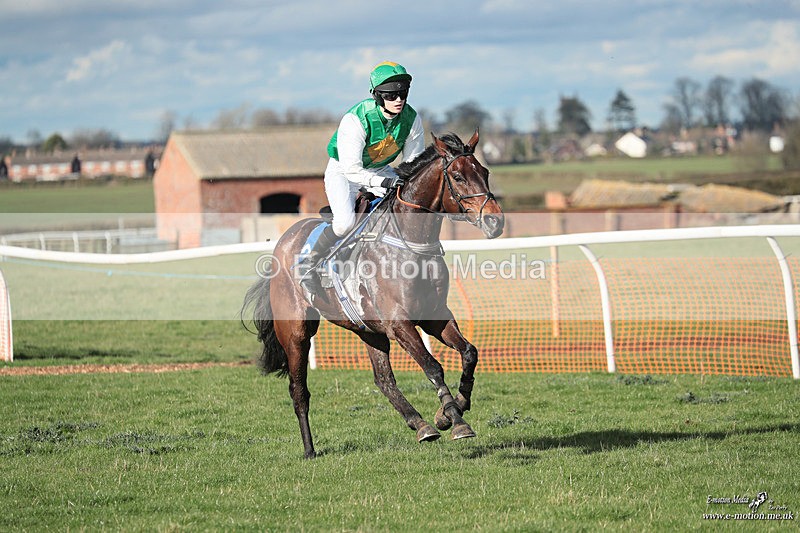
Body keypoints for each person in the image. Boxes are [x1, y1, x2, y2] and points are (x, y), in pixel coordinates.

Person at [298, 61, 425, 294]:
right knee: (345, 224)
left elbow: (412, 164)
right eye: (391, 95)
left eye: (403, 93)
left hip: (380, 170)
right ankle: (309, 263)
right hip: (344, 173)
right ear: (377, 96)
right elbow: (352, 169)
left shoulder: (411, 119)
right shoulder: (356, 118)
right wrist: (385, 182)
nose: (398, 99)